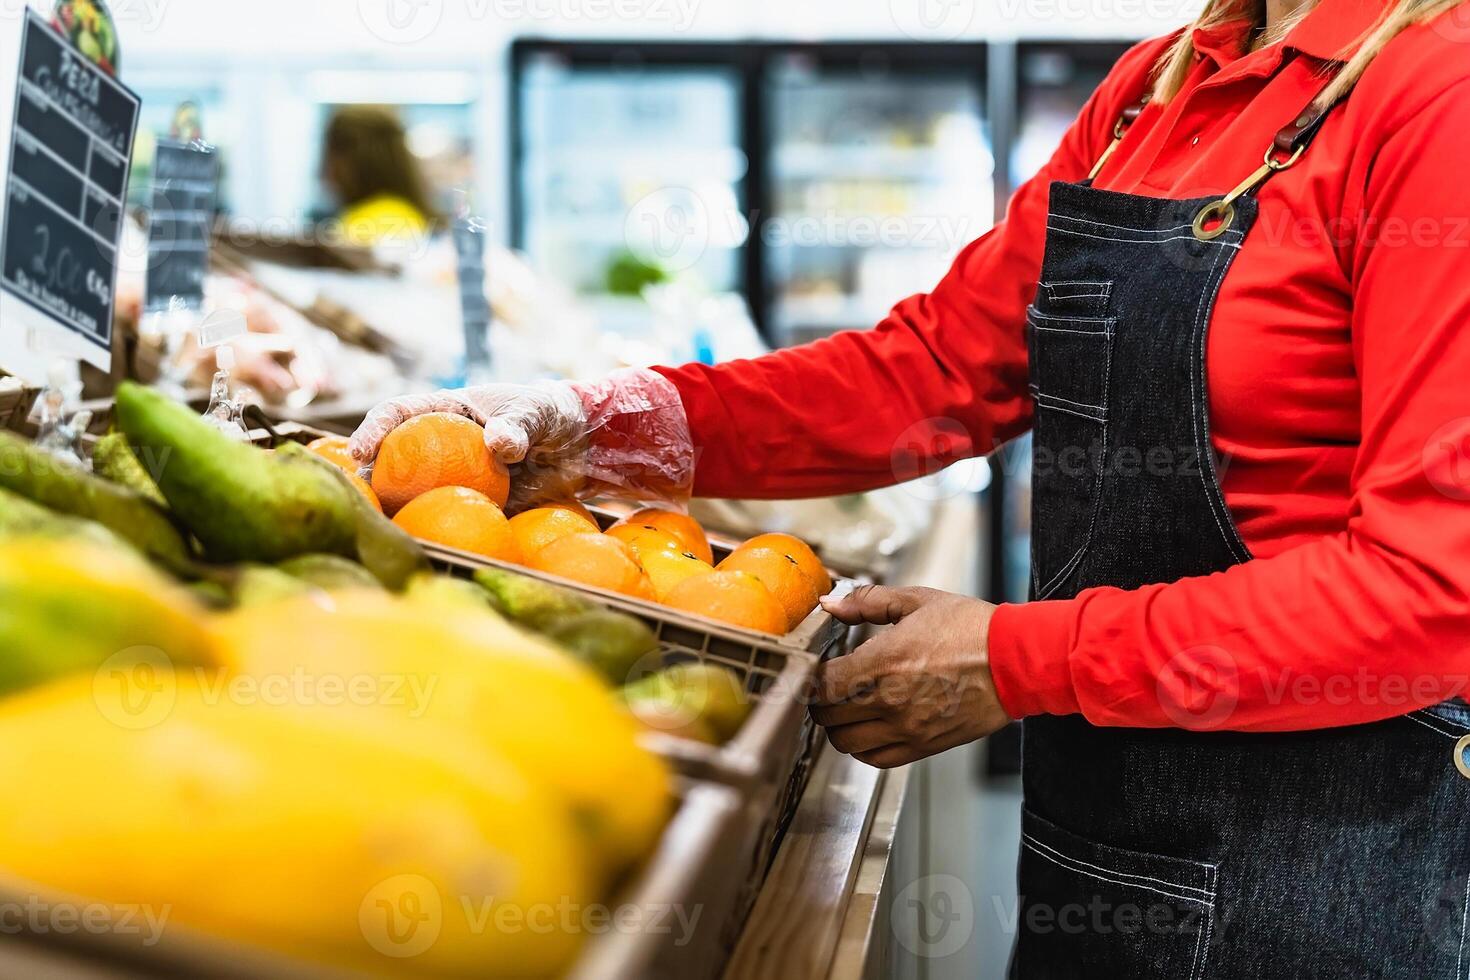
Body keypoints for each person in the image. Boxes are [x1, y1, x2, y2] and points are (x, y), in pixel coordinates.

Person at [351, 0, 1470, 974]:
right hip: (1106, 818)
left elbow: (1433, 597)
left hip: (1325, 857)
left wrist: (1015, 656)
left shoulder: (1438, 87)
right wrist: (594, 425)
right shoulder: (1159, 86)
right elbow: (933, 370)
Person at [318, 105, 438, 247]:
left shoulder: (368, 223)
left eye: (329, 153)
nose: (324, 165)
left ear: (346, 160)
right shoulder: (403, 213)